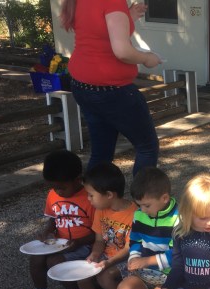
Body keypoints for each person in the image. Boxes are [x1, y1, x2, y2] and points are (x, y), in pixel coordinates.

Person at [60, 0, 162, 175]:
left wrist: (127, 16)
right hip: (113, 91)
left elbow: (97, 30)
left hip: (83, 86)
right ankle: (144, 194)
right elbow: (122, 51)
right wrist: (147, 58)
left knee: (101, 152)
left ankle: (92, 192)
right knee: (147, 147)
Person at [22, 149, 95, 289]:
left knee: (54, 261)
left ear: (78, 179)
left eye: (62, 187)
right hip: (60, 243)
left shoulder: (90, 197)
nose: (58, 191)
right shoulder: (53, 195)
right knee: (36, 258)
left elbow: (98, 232)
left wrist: (78, 242)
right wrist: (48, 231)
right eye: (54, 187)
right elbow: (54, 218)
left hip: (85, 244)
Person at [115, 167, 179, 289]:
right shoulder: (139, 215)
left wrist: (146, 261)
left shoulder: (178, 218)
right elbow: (135, 240)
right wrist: (134, 257)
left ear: (164, 198)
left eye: (146, 205)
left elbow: (177, 254)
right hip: (144, 273)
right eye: (139, 205)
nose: (142, 210)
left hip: (169, 275)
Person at [72, 163, 137, 289]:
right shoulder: (101, 209)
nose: (88, 199)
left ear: (109, 195)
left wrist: (108, 263)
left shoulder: (135, 214)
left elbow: (129, 248)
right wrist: (94, 254)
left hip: (128, 259)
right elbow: (100, 240)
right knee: (82, 270)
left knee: (104, 276)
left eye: (91, 195)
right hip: (107, 256)